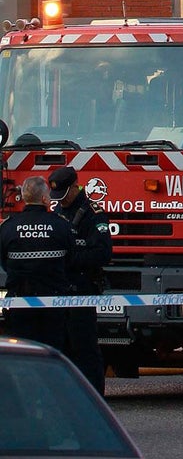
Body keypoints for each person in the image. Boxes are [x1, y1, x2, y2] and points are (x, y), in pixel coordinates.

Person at [49, 166, 112, 395]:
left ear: (76, 187)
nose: (61, 201)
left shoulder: (92, 213)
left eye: (64, 195)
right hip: (59, 290)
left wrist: (69, 259)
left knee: (84, 348)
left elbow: (103, 253)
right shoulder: (57, 210)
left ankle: (95, 399)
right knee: (61, 347)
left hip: (82, 289)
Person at [0, 176, 75, 351]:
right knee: (52, 353)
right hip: (53, 304)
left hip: (19, 303)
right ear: (44, 199)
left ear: (25, 197)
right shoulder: (60, 225)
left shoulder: (8, 227)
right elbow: (70, 259)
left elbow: (3, 261)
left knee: (20, 353)